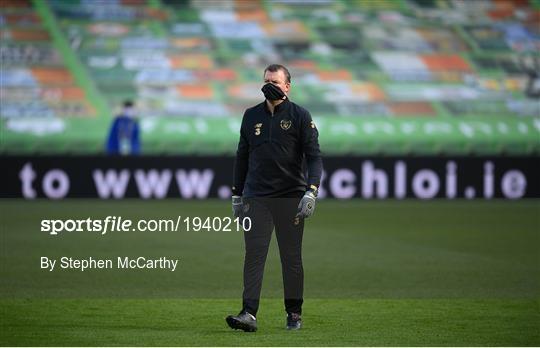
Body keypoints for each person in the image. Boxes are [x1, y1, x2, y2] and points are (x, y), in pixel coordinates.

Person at [226, 64, 322, 332]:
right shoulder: (251, 116)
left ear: (287, 87)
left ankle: (293, 313)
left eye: (276, 82)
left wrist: (311, 191)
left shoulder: (300, 116)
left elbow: (315, 158)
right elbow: (242, 156)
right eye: (267, 80)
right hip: (256, 197)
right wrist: (237, 194)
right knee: (254, 255)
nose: (270, 85)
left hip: (290, 197)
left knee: (291, 258)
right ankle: (248, 313)